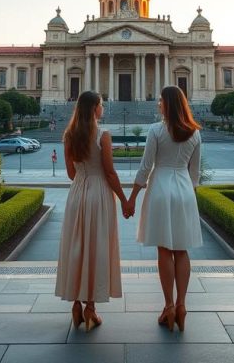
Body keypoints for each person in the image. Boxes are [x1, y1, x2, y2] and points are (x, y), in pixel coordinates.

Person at [126, 85, 202, 333]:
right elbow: (195, 174)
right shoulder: (195, 133)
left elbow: (146, 167)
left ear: (168, 104)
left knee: (164, 250)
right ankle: (182, 305)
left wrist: (133, 196)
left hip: (160, 188)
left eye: (160, 101)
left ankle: (168, 305)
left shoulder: (157, 130)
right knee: (181, 249)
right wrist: (189, 195)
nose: (158, 104)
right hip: (184, 189)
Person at [55, 90, 132, 332]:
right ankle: (90, 308)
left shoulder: (69, 135)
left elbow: (70, 173)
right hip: (99, 194)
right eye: (101, 104)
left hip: (77, 193)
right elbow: (109, 172)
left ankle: (76, 305)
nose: (104, 108)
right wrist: (124, 200)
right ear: (94, 108)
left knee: (76, 247)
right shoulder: (103, 135)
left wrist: (84, 179)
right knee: (96, 248)